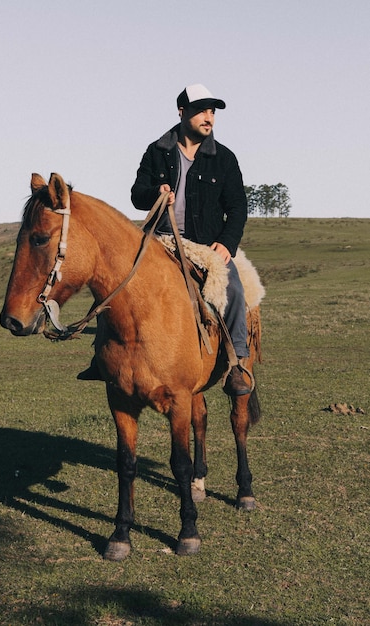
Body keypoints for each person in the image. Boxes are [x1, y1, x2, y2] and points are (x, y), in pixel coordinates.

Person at [130, 83, 250, 396]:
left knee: (234, 289)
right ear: (182, 112)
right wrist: (156, 193)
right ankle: (104, 354)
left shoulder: (223, 158)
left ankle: (237, 364)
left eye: (212, 111)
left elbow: (237, 206)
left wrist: (226, 243)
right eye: (201, 110)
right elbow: (136, 195)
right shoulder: (157, 151)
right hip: (159, 240)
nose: (208, 117)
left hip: (204, 246)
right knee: (119, 277)